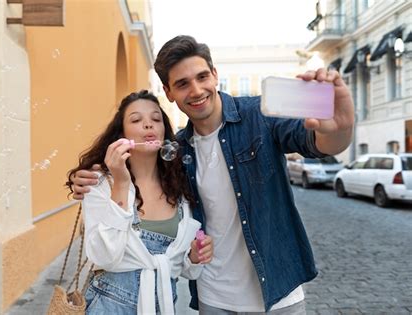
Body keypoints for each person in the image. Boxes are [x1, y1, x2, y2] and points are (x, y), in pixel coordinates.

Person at [70, 35, 355, 314]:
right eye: (182, 84)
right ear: (169, 93)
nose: (195, 90)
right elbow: (139, 175)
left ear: (215, 75)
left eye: (202, 77)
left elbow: (318, 142)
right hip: (215, 297)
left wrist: (342, 127)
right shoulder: (177, 153)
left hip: (279, 296)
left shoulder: (259, 116)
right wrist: (90, 177)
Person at [66, 90, 213, 314]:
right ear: (121, 134)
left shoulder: (179, 189)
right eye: (136, 120)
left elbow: (182, 270)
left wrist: (194, 256)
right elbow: (104, 257)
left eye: (156, 119)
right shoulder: (99, 184)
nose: (148, 125)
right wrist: (121, 183)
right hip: (108, 307)